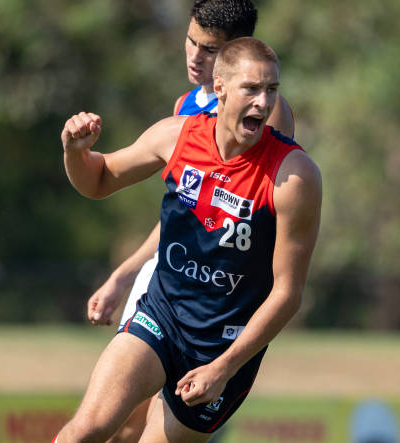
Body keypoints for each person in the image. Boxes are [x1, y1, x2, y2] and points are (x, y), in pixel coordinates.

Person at [56, 37, 321, 442]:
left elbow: (288, 293)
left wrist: (225, 367)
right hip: (161, 316)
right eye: (251, 89)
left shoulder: (294, 176)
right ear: (220, 89)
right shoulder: (176, 136)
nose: (264, 103)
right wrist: (75, 151)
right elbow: (97, 180)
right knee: (84, 432)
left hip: (224, 347)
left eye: (272, 90)